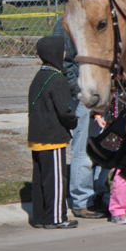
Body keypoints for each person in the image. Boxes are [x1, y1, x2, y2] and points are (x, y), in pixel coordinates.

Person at [52, 20, 110, 219]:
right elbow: (64, 62)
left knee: (103, 145)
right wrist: (79, 90)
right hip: (83, 95)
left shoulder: (98, 21)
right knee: (83, 149)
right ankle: (82, 201)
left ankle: (97, 191)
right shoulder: (67, 24)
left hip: (101, 92)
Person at [27, 36, 79, 229]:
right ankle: (57, 217)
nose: (64, 53)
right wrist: (74, 122)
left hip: (37, 136)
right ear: (54, 53)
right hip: (52, 137)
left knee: (41, 179)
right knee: (56, 180)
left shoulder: (40, 75)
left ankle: (41, 217)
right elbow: (64, 111)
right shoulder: (57, 78)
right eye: (62, 50)